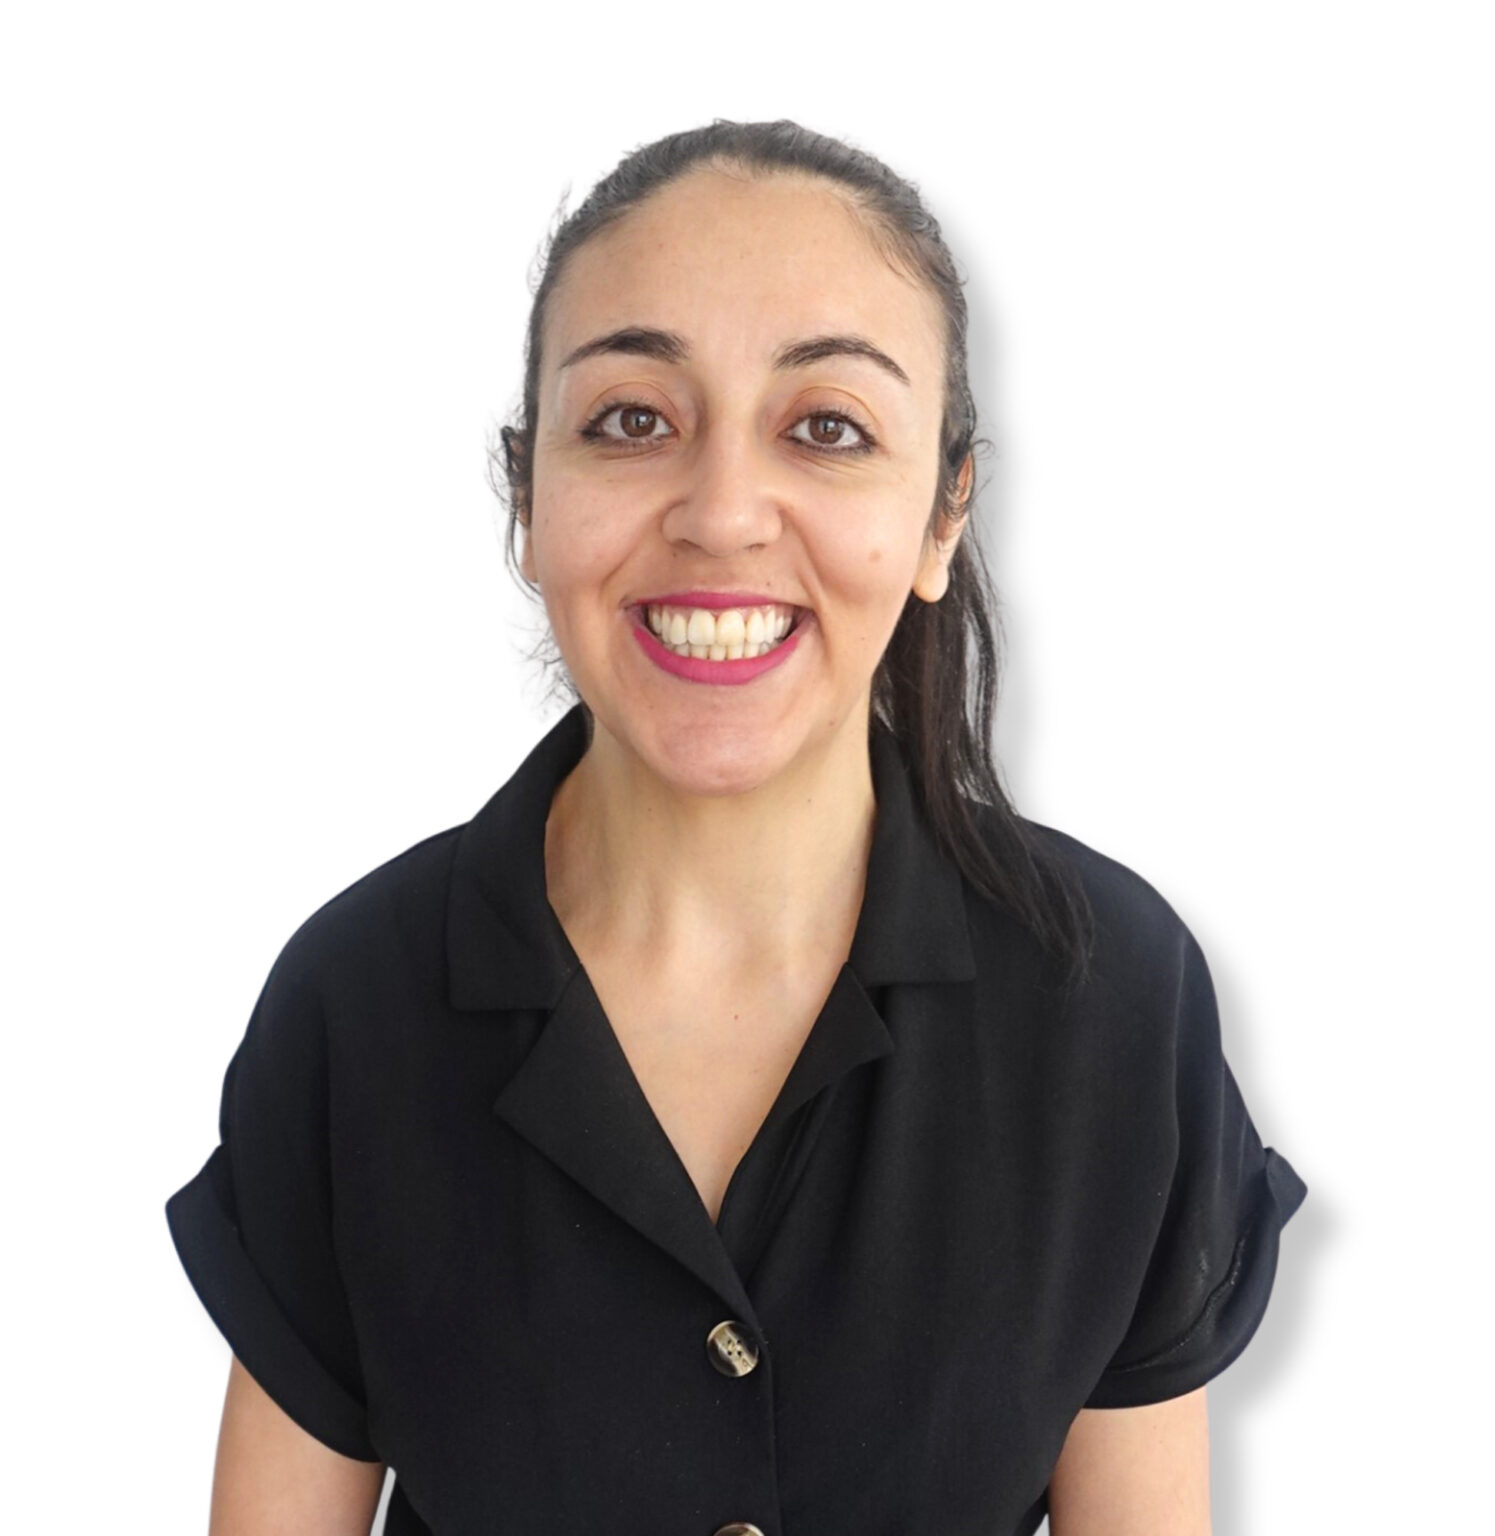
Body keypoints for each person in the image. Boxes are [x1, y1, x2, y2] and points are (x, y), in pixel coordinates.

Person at [166, 120, 1305, 1536]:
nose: (721, 513)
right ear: (528, 499)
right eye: (633, 420)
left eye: (826, 427)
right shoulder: (354, 1008)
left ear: (945, 513)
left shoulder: (1112, 998)